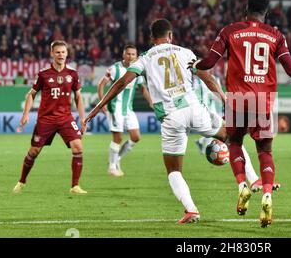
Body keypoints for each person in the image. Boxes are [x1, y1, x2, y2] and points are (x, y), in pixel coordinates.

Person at [190, 0, 291, 227]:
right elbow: (289, 69)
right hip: (262, 100)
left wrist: (194, 65)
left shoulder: (230, 30)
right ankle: (267, 193)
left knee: (235, 143)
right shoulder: (275, 35)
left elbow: (208, 63)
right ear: (266, 12)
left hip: (238, 98)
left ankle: (242, 186)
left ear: (246, 9)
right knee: (265, 151)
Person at [83, 18, 227, 224]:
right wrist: (222, 96)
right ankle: (249, 180)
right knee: (229, 137)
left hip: (171, 117)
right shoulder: (186, 52)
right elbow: (208, 77)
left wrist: (97, 108)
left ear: (151, 38)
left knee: (174, 170)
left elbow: (122, 82)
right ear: (170, 35)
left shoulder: (145, 58)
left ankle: (191, 209)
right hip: (194, 109)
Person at [13, 40, 87, 194]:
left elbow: (78, 97)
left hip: (66, 118)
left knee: (78, 146)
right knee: (34, 151)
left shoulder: (73, 74)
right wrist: (26, 114)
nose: (61, 55)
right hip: (46, 119)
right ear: (52, 54)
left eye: (63, 52)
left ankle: (75, 186)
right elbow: (31, 94)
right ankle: (21, 182)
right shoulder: (43, 74)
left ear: (67, 53)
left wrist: (82, 118)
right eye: (57, 52)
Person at [193, 75, 280, 192]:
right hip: (199, 112)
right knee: (232, 139)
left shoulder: (198, 75)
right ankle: (251, 180)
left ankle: (201, 142)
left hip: (178, 111)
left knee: (230, 137)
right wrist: (225, 100)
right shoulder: (202, 73)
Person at [97, 44, 152, 177]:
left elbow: (142, 88)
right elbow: (101, 84)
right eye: (128, 54)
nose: (130, 56)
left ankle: (117, 159)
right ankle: (111, 167)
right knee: (118, 137)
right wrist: (101, 103)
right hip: (115, 108)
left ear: (136, 56)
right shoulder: (115, 68)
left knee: (136, 137)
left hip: (128, 109)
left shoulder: (137, 70)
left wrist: (151, 102)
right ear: (123, 55)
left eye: (133, 54)